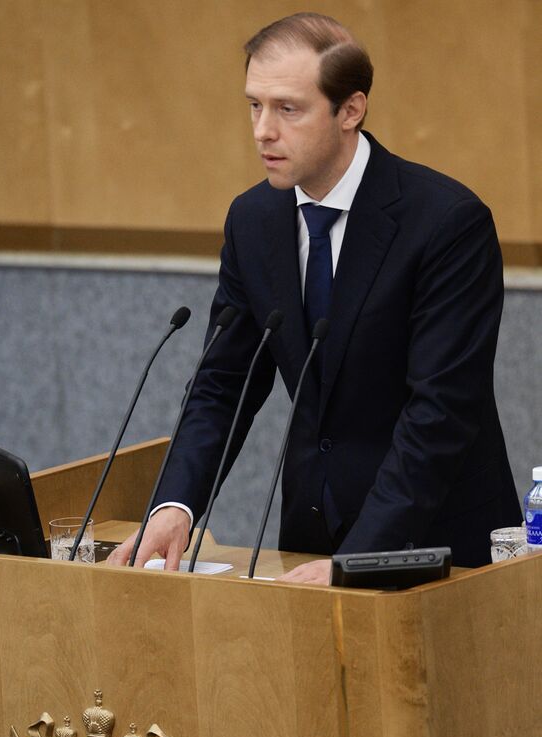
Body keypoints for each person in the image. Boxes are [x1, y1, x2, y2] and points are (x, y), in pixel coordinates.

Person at [108, 12, 520, 583]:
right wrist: (174, 505)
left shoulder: (446, 222)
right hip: (309, 541)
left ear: (350, 110)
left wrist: (356, 561)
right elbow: (222, 385)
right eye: (255, 105)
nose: (262, 130)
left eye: (288, 109)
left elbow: (441, 412)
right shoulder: (253, 221)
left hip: (429, 546)